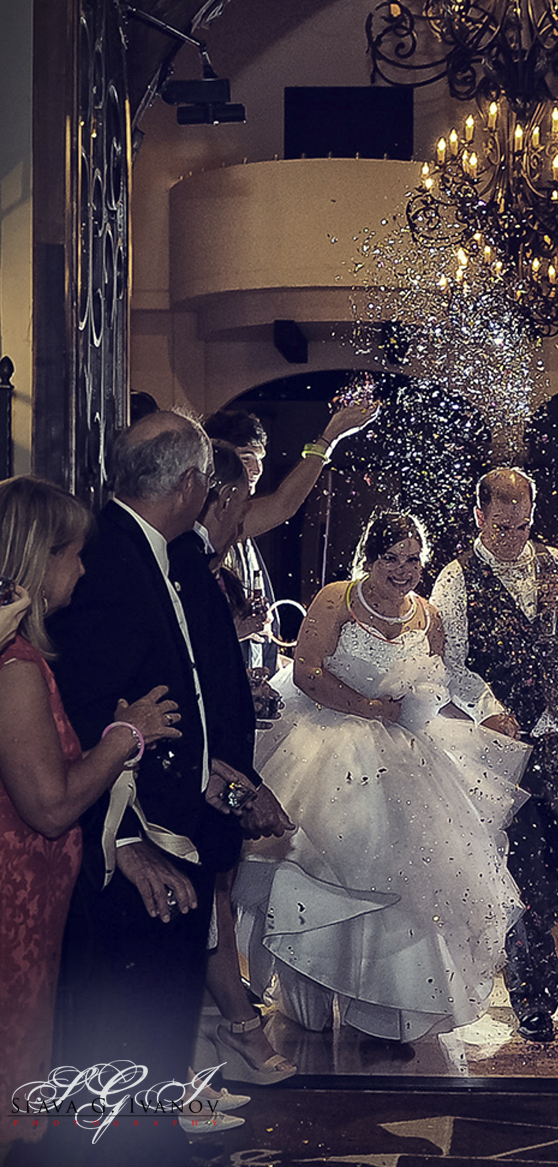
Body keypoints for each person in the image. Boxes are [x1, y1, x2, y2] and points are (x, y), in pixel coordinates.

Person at [48, 411, 257, 1166]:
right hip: (135, 841)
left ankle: (153, 1139)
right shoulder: (107, 562)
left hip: (179, 814)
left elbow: (187, 689)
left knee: (159, 1021)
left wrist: (218, 777)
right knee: (128, 1026)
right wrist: (128, 841)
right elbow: (73, 716)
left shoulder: (152, 550)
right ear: (195, 483)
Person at [234, 511, 529, 1042]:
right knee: (325, 862)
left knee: (411, 875)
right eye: (391, 558)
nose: (403, 569)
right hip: (328, 739)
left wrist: (482, 712)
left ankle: (386, 999)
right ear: (370, 558)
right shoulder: (337, 598)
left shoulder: (429, 616)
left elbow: (438, 685)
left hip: (408, 752)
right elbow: (307, 671)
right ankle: (310, 995)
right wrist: (366, 707)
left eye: (413, 559)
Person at [0, 477, 180, 1163]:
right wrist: (125, 735)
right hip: (14, 899)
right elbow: (49, 807)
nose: (82, 569)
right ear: (40, 561)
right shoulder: (14, 668)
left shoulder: (24, 658)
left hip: (31, 900)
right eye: (74, 555)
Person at [430, 469, 558, 1042]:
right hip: (497, 744)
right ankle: (533, 990)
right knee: (523, 863)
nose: (514, 535)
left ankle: (528, 948)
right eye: (502, 524)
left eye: (524, 523)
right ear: (479, 516)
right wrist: (485, 706)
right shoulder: (455, 579)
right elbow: (446, 662)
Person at [167, 440, 296, 1089]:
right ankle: (208, 1050)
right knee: (200, 909)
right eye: (240, 504)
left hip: (218, 771)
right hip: (197, 782)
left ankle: (217, 1041)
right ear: (217, 499)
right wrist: (241, 788)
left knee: (213, 904)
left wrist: (242, 685)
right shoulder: (187, 571)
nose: (242, 518)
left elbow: (203, 676)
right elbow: (178, 693)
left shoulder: (204, 568)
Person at [204, 396, 379, 667]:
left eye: (260, 458)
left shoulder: (238, 522)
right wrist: (329, 437)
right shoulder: (215, 516)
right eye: (246, 457)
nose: (257, 468)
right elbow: (283, 505)